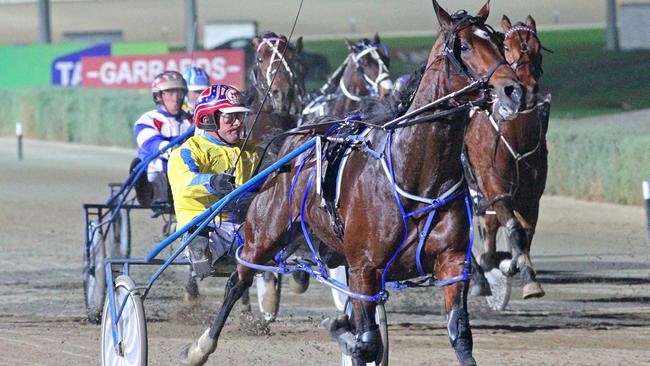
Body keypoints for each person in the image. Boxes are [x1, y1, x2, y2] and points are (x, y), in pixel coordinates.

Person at [167, 84, 258, 280]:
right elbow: (184, 183)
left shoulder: (252, 150)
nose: (237, 123)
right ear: (208, 119)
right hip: (204, 224)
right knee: (201, 233)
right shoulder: (189, 150)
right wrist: (213, 181)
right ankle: (200, 251)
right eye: (229, 117)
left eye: (240, 116)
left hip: (241, 224)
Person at [132, 70, 193, 207]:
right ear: (158, 96)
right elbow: (150, 143)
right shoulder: (148, 119)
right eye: (170, 93)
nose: (176, 98)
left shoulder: (192, 119)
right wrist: (174, 151)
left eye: (180, 93)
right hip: (157, 170)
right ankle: (146, 191)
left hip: (186, 171)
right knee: (160, 177)